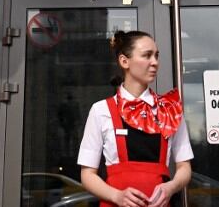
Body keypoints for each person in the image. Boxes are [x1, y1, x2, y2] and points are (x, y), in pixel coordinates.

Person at [77, 30, 193, 207]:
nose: (154, 62)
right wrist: (117, 196)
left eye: (156, 56)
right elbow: (87, 175)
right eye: (147, 55)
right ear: (124, 61)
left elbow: (184, 167)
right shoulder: (101, 110)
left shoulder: (170, 109)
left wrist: (171, 187)